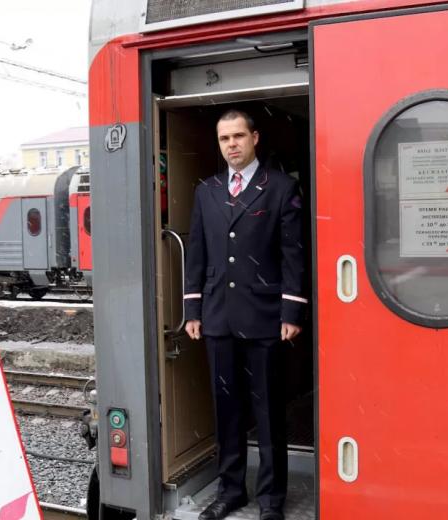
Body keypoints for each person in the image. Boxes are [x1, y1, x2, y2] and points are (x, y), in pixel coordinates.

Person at [184, 109, 306, 520]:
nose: (232, 144)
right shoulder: (207, 191)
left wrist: (292, 311)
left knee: (269, 412)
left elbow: (293, 254)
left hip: (266, 316)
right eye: (224, 139)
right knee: (227, 410)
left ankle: (271, 500)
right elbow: (196, 253)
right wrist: (192, 308)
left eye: (238, 136)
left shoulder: (281, 187)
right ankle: (231, 491)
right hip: (217, 316)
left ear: (254, 138)